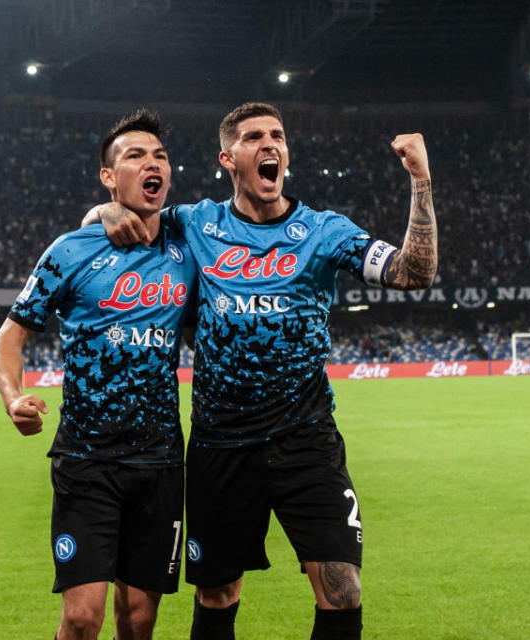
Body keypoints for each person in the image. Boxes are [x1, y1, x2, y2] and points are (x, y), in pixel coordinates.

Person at [86, 102, 438, 640]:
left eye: (277, 135)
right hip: (220, 446)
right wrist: (104, 212)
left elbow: (414, 273)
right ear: (228, 158)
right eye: (254, 138)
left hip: (306, 441)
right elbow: (121, 217)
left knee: (342, 588)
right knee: (218, 594)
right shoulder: (195, 223)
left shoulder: (325, 230)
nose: (270, 144)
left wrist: (420, 181)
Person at [0, 109, 196, 640]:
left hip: (160, 462)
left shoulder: (187, 244)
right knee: (82, 619)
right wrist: (11, 397)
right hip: (87, 460)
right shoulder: (71, 250)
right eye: (135, 156)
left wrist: (104, 210)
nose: (152, 164)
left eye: (161, 156)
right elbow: (10, 337)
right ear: (109, 176)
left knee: (140, 618)